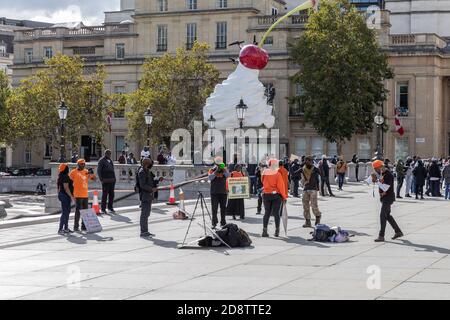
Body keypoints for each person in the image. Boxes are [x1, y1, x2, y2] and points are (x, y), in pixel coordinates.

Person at [371, 160, 404, 242]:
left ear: (379, 167)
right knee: (387, 216)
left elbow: (385, 187)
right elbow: (381, 184)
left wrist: (376, 181)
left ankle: (381, 236)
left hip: (388, 198)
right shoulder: (383, 174)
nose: (375, 170)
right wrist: (373, 180)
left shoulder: (388, 175)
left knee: (382, 215)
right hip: (384, 198)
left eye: (375, 169)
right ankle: (398, 231)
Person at [261, 159, 288, 237]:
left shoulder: (264, 172)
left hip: (266, 194)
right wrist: (284, 196)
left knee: (267, 213)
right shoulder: (277, 174)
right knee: (276, 213)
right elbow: (281, 186)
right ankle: (277, 231)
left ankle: (264, 231)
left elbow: (262, 182)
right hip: (276, 195)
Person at [69, 159, 96, 232]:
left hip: (85, 194)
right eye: (82, 164)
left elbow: (94, 179)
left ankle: (84, 226)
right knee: (78, 211)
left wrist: (92, 173)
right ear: (78, 164)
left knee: (85, 212)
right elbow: (69, 182)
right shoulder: (73, 172)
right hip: (77, 194)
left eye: (84, 164)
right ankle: (76, 227)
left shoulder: (86, 171)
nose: (83, 165)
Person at [137, 158, 160, 238]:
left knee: (147, 213)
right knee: (144, 214)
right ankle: (143, 231)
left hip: (149, 195)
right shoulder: (142, 172)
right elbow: (142, 185)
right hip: (145, 195)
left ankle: (145, 231)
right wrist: (151, 189)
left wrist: (157, 181)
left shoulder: (147, 171)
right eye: (150, 163)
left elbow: (151, 181)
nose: (151, 165)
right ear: (147, 164)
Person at [301, 156, 322, 228]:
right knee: (305, 206)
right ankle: (307, 221)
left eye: (310, 160)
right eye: (307, 160)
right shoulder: (303, 168)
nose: (308, 162)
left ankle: (318, 218)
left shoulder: (315, 169)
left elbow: (322, 175)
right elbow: (295, 175)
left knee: (314, 205)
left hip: (313, 189)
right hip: (305, 188)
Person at [208, 161, 230, 229]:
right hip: (214, 193)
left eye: (220, 165)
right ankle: (214, 223)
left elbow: (228, 175)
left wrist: (223, 170)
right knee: (214, 209)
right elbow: (210, 178)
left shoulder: (224, 170)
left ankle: (223, 222)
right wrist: (216, 171)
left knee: (223, 208)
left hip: (223, 192)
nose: (219, 166)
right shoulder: (212, 170)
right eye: (218, 165)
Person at [57, 163, 75, 235]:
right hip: (65, 195)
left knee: (67, 212)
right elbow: (66, 188)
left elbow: (59, 188)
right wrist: (71, 196)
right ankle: (61, 229)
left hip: (62, 195)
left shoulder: (60, 176)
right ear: (66, 169)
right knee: (65, 212)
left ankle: (65, 228)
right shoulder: (65, 177)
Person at [97, 149, 116, 215]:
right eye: (108, 154)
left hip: (112, 180)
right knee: (105, 195)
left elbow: (113, 170)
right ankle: (103, 208)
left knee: (112, 195)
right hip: (105, 180)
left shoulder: (110, 160)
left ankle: (110, 207)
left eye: (110, 154)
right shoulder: (101, 161)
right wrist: (101, 179)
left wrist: (114, 179)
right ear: (105, 154)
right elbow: (99, 171)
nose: (109, 155)